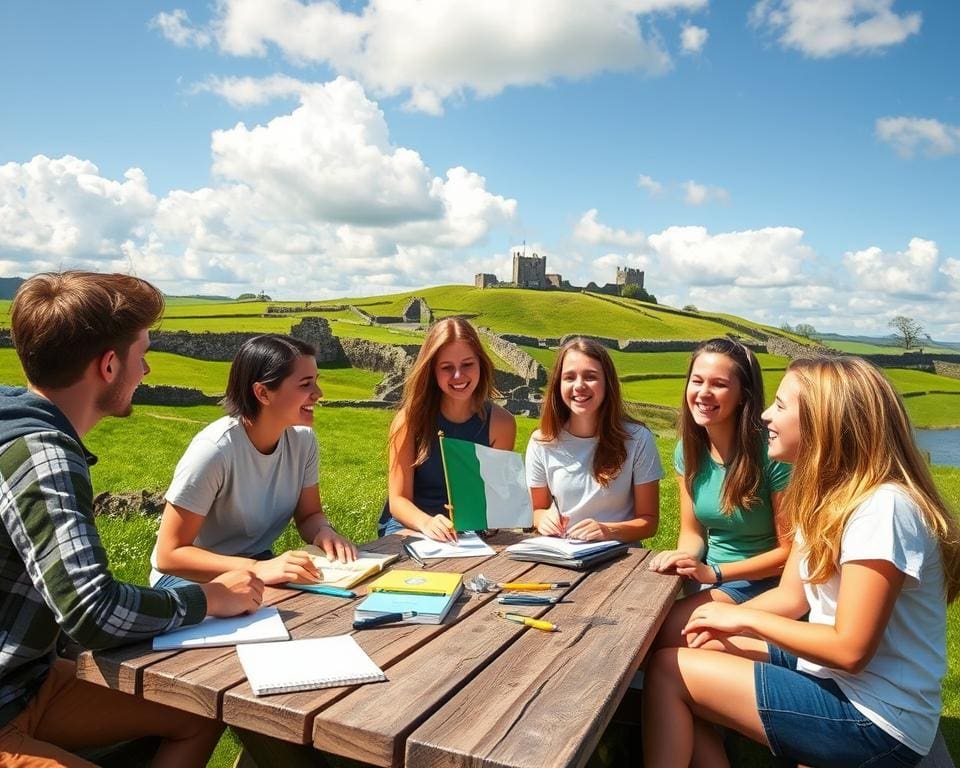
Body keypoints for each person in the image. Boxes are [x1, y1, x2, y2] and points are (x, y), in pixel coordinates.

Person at [643, 356, 960, 768]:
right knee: (689, 643)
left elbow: (850, 649)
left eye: (780, 405)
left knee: (671, 671)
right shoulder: (826, 496)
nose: (764, 415)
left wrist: (743, 620)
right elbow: (792, 598)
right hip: (841, 681)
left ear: (821, 423)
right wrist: (709, 623)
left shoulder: (884, 509)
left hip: (877, 719)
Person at [0, 271, 262, 768]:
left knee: (197, 709)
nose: (144, 370)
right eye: (142, 355)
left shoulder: (23, 427)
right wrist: (208, 597)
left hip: (26, 685)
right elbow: (93, 612)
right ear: (109, 364)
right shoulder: (41, 455)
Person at [151, 334, 357, 588]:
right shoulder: (214, 450)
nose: (318, 393)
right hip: (188, 578)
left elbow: (309, 515)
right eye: (305, 384)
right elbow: (169, 554)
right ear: (262, 393)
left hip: (256, 565)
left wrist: (323, 531)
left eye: (316, 382)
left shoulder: (303, 441)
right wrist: (257, 568)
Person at [648, 338, 791, 646]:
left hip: (762, 584)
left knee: (657, 638)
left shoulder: (772, 455)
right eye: (697, 381)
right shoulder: (687, 452)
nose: (704, 393)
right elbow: (693, 533)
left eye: (720, 384)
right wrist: (683, 559)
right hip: (710, 579)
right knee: (641, 626)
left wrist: (713, 573)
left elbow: (788, 553)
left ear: (743, 395)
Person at [379, 318, 516, 542]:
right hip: (412, 526)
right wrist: (427, 523)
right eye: (447, 367)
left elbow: (494, 497)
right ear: (432, 370)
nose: (458, 376)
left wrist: (491, 520)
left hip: (469, 532)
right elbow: (398, 501)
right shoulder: (408, 421)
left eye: (467, 364)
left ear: (481, 363)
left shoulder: (502, 424)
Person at [526, 337, 662, 542]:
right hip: (562, 553)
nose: (579, 386)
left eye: (590, 377)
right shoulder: (541, 442)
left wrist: (608, 531)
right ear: (558, 384)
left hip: (619, 557)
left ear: (607, 383)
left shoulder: (638, 439)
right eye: (569, 377)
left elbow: (649, 522)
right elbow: (537, 510)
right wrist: (543, 518)